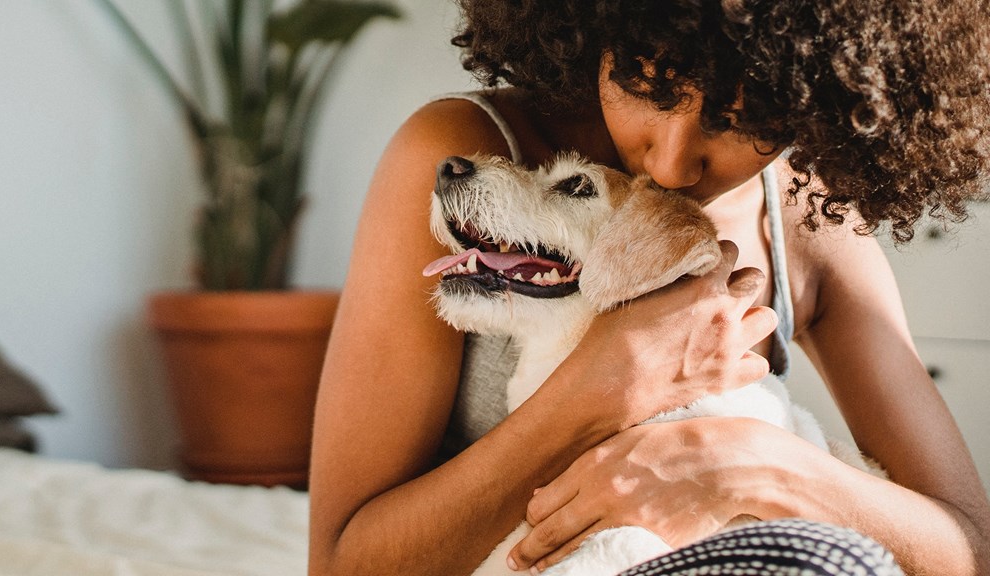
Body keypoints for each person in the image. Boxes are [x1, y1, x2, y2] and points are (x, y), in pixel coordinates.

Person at [309, 1, 990, 575]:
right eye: (648, 89)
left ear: (813, 108)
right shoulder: (471, 161)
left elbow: (967, 546)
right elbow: (342, 562)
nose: (670, 163)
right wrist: (608, 384)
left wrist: (750, 462)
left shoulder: (805, 219)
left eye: (738, 122)